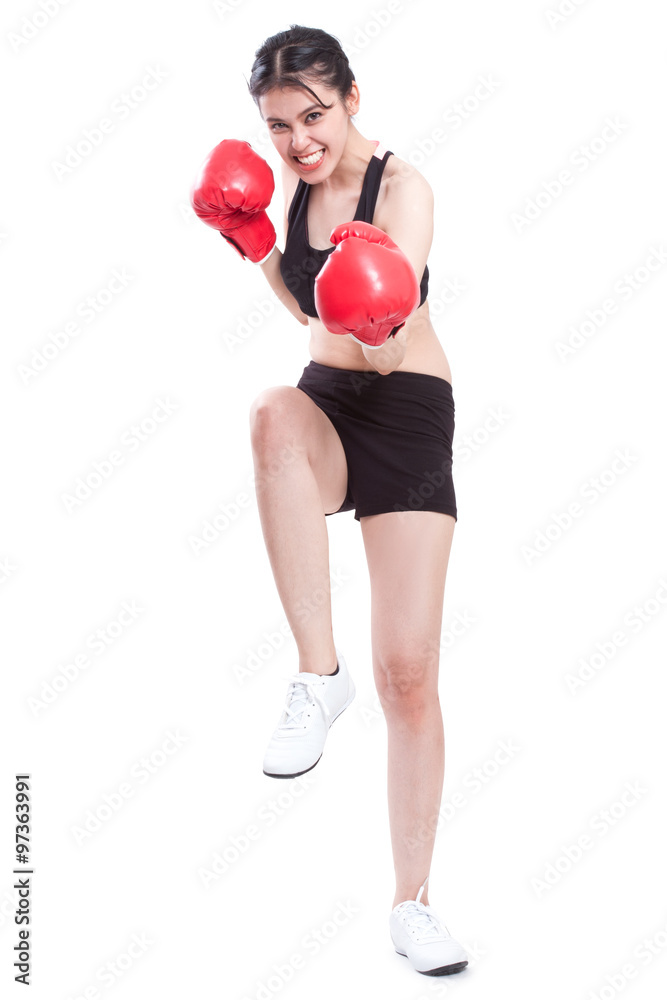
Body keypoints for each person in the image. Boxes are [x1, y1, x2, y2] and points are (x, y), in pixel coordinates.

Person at [191, 24, 468, 978]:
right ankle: (316, 676)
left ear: (352, 96)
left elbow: (386, 334)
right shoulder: (298, 190)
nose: (298, 142)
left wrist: (370, 289)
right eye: (277, 127)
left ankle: (413, 903)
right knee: (272, 412)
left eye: (312, 116)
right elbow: (316, 314)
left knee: (409, 677)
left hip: (406, 415)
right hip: (327, 403)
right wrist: (257, 244)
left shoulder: (406, 189)